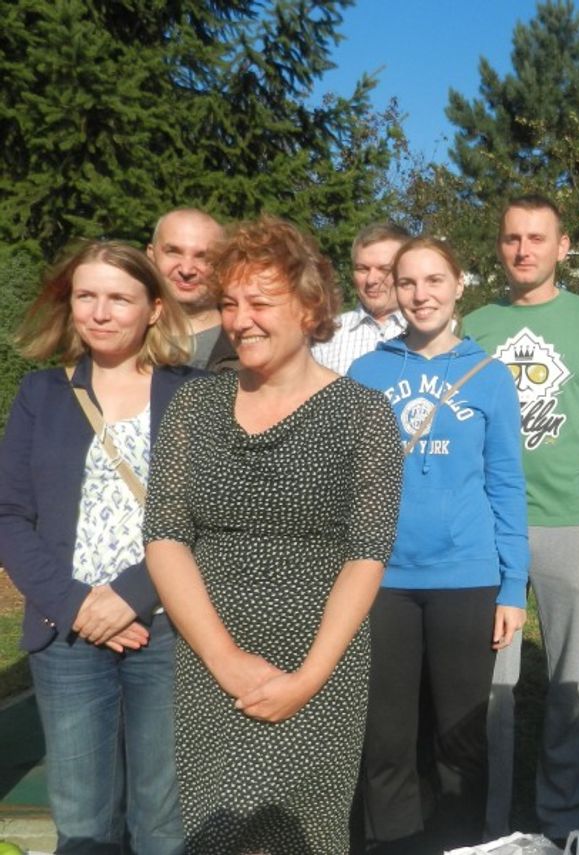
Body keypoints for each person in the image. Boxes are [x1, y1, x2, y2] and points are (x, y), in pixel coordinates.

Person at [143, 216, 403, 853]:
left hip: (319, 669)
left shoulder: (363, 414)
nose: (241, 319)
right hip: (210, 663)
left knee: (300, 836)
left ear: (311, 307)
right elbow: (166, 534)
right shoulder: (195, 406)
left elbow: (367, 554)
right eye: (229, 303)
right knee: (218, 833)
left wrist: (307, 678)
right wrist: (225, 660)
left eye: (261, 302)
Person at [0, 240, 199, 854]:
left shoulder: (195, 394)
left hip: (167, 628)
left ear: (155, 309)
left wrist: (132, 595)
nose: (101, 312)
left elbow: (205, 514)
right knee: (84, 825)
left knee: (163, 824)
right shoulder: (41, 393)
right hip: (67, 634)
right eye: (87, 296)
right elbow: (9, 514)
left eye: (119, 298)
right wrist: (79, 604)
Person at [349, 237, 529, 854]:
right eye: (407, 283)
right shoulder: (367, 372)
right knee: (387, 738)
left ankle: (457, 845)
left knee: (459, 739)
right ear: (393, 291)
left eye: (433, 281)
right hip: (384, 580)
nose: (420, 295)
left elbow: (506, 484)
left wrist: (512, 586)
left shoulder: (490, 376)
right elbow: (349, 481)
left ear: (458, 286)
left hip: (465, 577)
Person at [463, 195, 579, 842]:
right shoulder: (474, 324)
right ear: (498, 246)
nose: (523, 250)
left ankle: (563, 819)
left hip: (570, 520)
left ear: (562, 245)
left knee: (568, 683)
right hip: (491, 524)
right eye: (511, 238)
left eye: (536, 238)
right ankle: (487, 819)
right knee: (491, 686)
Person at [312, 222, 412, 374]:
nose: (371, 280)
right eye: (362, 269)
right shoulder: (327, 335)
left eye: (384, 269)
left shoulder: (428, 332)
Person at [147, 208, 237, 371]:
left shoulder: (244, 350)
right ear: (151, 256)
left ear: (223, 264)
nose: (186, 270)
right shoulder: (119, 341)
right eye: (174, 252)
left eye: (203, 257)